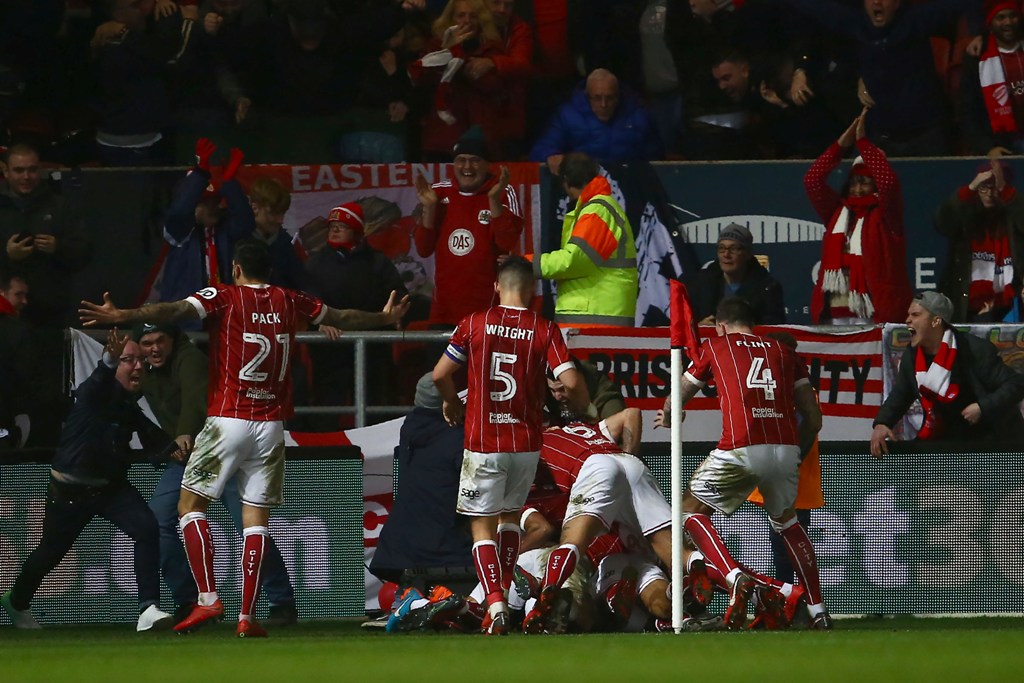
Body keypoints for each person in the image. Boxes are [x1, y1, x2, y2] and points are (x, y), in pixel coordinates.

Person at [79, 238, 411, 638]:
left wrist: (126, 313)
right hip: (271, 426)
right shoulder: (291, 300)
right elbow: (342, 316)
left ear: (236, 269)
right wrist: (384, 316)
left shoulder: (225, 296)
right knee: (256, 524)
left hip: (229, 419)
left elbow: (174, 310)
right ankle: (246, 617)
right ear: (269, 270)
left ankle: (208, 599)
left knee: (189, 506)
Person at [431, 255, 588, 635]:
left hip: (484, 441)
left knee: (481, 527)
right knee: (509, 519)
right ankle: (497, 597)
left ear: (497, 286)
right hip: (526, 444)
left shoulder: (474, 323)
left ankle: (497, 605)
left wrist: (451, 401)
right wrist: (580, 404)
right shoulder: (543, 328)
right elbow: (568, 381)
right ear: (532, 292)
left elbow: (439, 374)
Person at [656, 297, 830, 630]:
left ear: (721, 324)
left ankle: (735, 578)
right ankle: (818, 610)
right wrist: (794, 453)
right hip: (785, 449)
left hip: (741, 446)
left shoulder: (716, 346)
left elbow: (679, 394)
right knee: (789, 525)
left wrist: (669, 412)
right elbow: (813, 416)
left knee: (688, 509)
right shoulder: (785, 353)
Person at [1, 329, 175, 632]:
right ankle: (16, 601)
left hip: (110, 488)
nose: (137, 366)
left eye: (140, 361)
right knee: (51, 552)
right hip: (70, 491)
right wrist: (108, 359)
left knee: (146, 527)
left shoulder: (128, 406)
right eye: (127, 360)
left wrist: (178, 450)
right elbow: (98, 380)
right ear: (113, 364)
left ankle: (148, 608)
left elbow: (156, 441)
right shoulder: (93, 393)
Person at [134, 322, 299, 627]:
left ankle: (281, 601)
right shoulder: (144, 371)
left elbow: (195, 401)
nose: (154, 348)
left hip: (223, 454)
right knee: (157, 522)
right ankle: (189, 601)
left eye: (160, 340)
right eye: (146, 343)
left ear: (174, 339)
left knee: (249, 528)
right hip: (185, 460)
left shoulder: (190, 358)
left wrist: (183, 433)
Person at [522, 409, 712, 634]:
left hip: (596, 469)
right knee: (676, 553)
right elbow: (631, 413)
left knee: (572, 543)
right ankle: (691, 588)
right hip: (631, 465)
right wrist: (627, 461)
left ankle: (547, 597)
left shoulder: (531, 445)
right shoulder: (577, 430)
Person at [783, 0, 976, 157]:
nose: (877, 2)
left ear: (898, 3)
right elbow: (812, 7)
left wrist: (978, 33)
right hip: (879, 136)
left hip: (926, 135)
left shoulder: (918, 20)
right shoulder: (855, 23)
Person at [870, 291, 1024, 456]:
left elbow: (1016, 384)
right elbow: (900, 395)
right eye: (909, 315)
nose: (908, 320)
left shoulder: (973, 350)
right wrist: (882, 423)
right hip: (946, 440)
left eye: (915, 315)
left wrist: (982, 407)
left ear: (936, 321)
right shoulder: (912, 356)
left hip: (990, 442)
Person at [804, 108, 912, 324]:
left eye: (865, 182)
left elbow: (889, 184)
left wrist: (863, 143)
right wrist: (842, 144)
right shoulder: (837, 211)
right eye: (854, 181)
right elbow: (812, 180)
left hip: (873, 312)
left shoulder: (887, 215)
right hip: (835, 312)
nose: (858, 188)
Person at [305, 201, 408, 428]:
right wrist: (318, 322)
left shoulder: (377, 261)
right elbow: (305, 298)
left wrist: (397, 310)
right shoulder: (316, 262)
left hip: (372, 351)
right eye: (332, 225)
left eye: (342, 225)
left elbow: (398, 295)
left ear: (358, 230)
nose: (334, 229)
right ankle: (325, 459)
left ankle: (379, 458)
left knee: (375, 409)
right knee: (327, 409)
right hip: (330, 352)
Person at [414, 125, 523, 327]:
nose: (467, 167)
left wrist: (494, 201)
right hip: (443, 313)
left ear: (487, 164)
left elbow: (506, 241)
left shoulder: (503, 192)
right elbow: (423, 249)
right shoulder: (438, 193)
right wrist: (429, 208)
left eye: (475, 160)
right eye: (461, 160)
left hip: (488, 312)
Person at [532, 152, 638, 327]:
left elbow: (575, 260)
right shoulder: (599, 207)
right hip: (597, 314)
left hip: (594, 317)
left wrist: (529, 264)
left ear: (565, 179)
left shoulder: (597, 210)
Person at [0, 142, 92, 328]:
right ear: (5, 171)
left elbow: (84, 252)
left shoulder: (61, 206)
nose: (26, 177)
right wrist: (7, 255)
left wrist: (57, 247)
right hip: (4, 311)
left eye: (32, 170)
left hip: (50, 309)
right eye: (19, 170)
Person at [160, 138, 253, 319]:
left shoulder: (225, 231)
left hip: (224, 315)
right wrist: (201, 172)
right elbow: (179, 211)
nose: (216, 207)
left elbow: (246, 222)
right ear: (194, 205)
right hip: (187, 320)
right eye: (207, 203)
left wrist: (229, 183)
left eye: (217, 201)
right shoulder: (180, 233)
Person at [935, 160, 1024, 322]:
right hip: (966, 308)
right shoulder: (965, 217)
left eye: (995, 188)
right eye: (983, 188)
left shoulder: (1013, 220)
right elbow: (943, 222)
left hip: (1009, 309)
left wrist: (1005, 191)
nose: (989, 194)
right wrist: (970, 188)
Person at [528, 69, 663, 172]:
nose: (603, 104)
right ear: (587, 96)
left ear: (618, 96)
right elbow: (539, 150)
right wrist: (550, 155)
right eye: (597, 98)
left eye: (610, 98)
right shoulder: (567, 115)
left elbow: (657, 159)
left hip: (627, 188)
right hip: (583, 188)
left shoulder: (638, 116)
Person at [960, 1, 1024, 157]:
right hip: (1001, 145)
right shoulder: (976, 59)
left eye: (1012, 16)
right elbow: (968, 111)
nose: (1008, 22)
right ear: (990, 23)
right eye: (1001, 17)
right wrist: (987, 148)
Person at [690, 223, 785, 326]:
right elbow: (683, 325)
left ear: (747, 254)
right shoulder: (701, 282)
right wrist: (699, 328)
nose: (726, 254)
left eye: (733, 248)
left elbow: (773, 330)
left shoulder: (768, 287)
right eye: (722, 248)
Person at [249, 176, 306, 292]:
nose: (280, 220)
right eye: (273, 213)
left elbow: (301, 282)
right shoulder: (236, 242)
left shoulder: (284, 243)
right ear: (255, 208)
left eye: (283, 213)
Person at [0, 269, 33, 449]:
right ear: (2, 293)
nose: (24, 301)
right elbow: (22, 377)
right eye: (18, 294)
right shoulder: (17, 330)